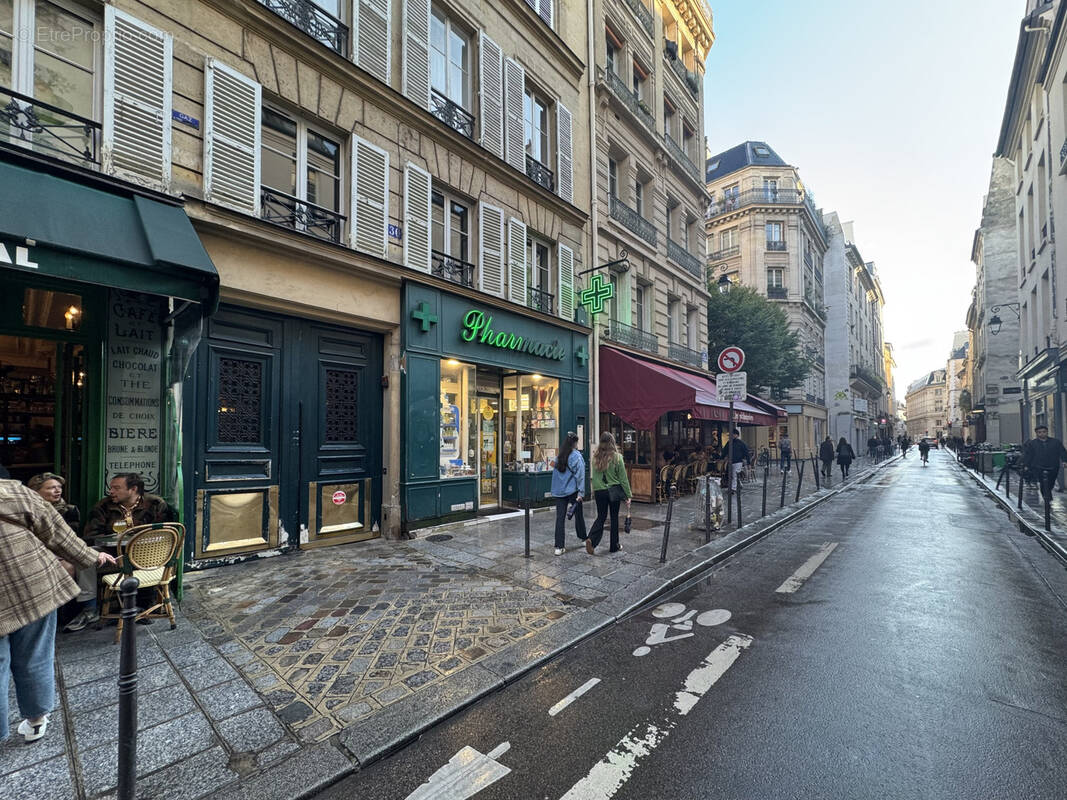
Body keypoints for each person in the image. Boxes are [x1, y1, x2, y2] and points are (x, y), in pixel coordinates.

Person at [1, 479, 116, 742]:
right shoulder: (12, 491)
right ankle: (36, 721)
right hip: (32, 585)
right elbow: (56, 532)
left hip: (27, 586)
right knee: (35, 654)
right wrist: (90, 556)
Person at [68, 473, 170, 633]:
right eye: (111, 487)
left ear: (133, 489)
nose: (111, 492)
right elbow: (90, 535)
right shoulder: (103, 506)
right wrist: (112, 540)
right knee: (85, 557)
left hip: (144, 552)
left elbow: (162, 531)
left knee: (153, 554)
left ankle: (145, 604)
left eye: (116, 488)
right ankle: (89, 609)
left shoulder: (155, 504)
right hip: (111, 553)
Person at [586, 432, 632, 555]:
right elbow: (623, 478)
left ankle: (591, 538)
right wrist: (628, 495)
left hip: (599, 491)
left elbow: (594, 476)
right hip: (613, 491)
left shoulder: (596, 457)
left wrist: (596, 489)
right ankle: (614, 545)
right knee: (614, 517)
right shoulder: (617, 457)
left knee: (601, 516)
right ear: (612, 442)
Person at [550, 431, 586, 556]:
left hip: (559, 491)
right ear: (575, 443)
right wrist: (581, 493)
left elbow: (555, 473)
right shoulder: (576, 456)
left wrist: (555, 490)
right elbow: (580, 476)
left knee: (560, 518)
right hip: (572, 490)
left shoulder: (559, 456)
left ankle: (559, 547)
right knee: (578, 515)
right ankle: (583, 538)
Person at [1022, 424, 1067, 506]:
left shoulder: (1056, 442)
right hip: (1038, 466)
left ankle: (1048, 494)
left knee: (1051, 482)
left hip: (1053, 465)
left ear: (1047, 432)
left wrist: (1064, 461)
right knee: (1043, 482)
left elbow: (1062, 451)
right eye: (1039, 432)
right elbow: (1029, 455)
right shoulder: (1032, 444)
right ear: (1036, 433)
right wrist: (1026, 465)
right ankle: (1047, 498)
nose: (1042, 434)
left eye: (1044, 432)